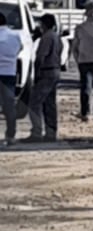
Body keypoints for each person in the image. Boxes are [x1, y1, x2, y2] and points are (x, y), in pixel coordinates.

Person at [27, 14, 62, 143]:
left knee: (34, 103)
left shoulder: (47, 37)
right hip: (55, 71)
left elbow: (41, 57)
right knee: (49, 103)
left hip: (46, 72)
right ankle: (51, 132)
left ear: (45, 24)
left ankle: (36, 132)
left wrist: (36, 74)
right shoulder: (56, 37)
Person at [0, 12, 25, 144]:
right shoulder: (15, 35)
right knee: (9, 106)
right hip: (9, 73)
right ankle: (11, 134)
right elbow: (20, 48)